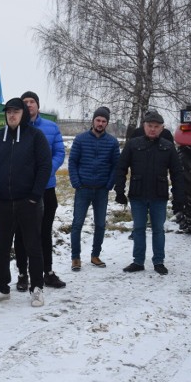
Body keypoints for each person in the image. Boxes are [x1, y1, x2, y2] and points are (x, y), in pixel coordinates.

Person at [0, 97, 51, 307]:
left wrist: (35, 196)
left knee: (32, 246)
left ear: (23, 114)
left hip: (28, 203)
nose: (12, 115)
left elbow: (44, 166)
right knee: (2, 246)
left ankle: (37, 288)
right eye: (9, 112)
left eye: (16, 111)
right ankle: (3, 288)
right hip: (2, 203)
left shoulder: (35, 136)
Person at [115, 111, 184, 275]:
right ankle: (138, 261)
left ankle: (159, 261)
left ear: (161, 128)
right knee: (138, 229)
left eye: (156, 127)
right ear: (144, 126)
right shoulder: (133, 144)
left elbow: (177, 173)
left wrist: (179, 197)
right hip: (137, 194)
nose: (153, 129)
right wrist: (119, 190)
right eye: (150, 126)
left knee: (158, 229)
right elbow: (121, 168)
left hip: (158, 196)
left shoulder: (168, 147)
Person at [13, 91, 66, 291]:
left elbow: (59, 153)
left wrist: (45, 171)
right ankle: (22, 274)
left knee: (44, 232)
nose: (28, 105)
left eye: (32, 102)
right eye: (24, 102)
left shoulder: (51, 128)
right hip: (23, 190)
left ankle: (48, 272)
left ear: (38, 105)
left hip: (46, 188)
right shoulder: (15, 129)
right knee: (21, 233)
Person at [69, 106, 120, 272]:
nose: (100, 123)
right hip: (83, 189)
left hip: (101, 190)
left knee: (100, 225)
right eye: (98, 120)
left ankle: (95, 255)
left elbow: (115, 165)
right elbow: (73, 163)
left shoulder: (112, 142)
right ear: (93, 121)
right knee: (77, 224)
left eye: (104, 121)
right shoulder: (80, 139)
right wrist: (77, 183)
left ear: (107, 123)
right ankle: (75, 258)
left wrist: (109, 184)